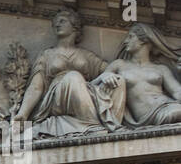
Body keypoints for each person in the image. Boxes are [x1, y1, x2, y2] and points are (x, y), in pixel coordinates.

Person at [11, 9, 125, 137]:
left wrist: (108, 74)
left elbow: (111, 69)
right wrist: (23, 113)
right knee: (73, 76)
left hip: (86, 94)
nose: (57, 24)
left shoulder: (86, 55)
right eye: (55, 23)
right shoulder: (47, 55)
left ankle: (112, 125)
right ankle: (92, 125)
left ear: (74, 26)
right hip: (57, 99)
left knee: (119, 80)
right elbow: (36, 87)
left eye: (62, 21)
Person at [100, 24, 181, 126]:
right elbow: (99, 88)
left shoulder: (161, 68)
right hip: (147, 115)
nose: (125, 41)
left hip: (167, 105)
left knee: (175, 112)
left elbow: (177, 91)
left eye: (131, 37)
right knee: (173, 113)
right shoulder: (119, 64)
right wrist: (105, 76)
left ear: (143, 40)